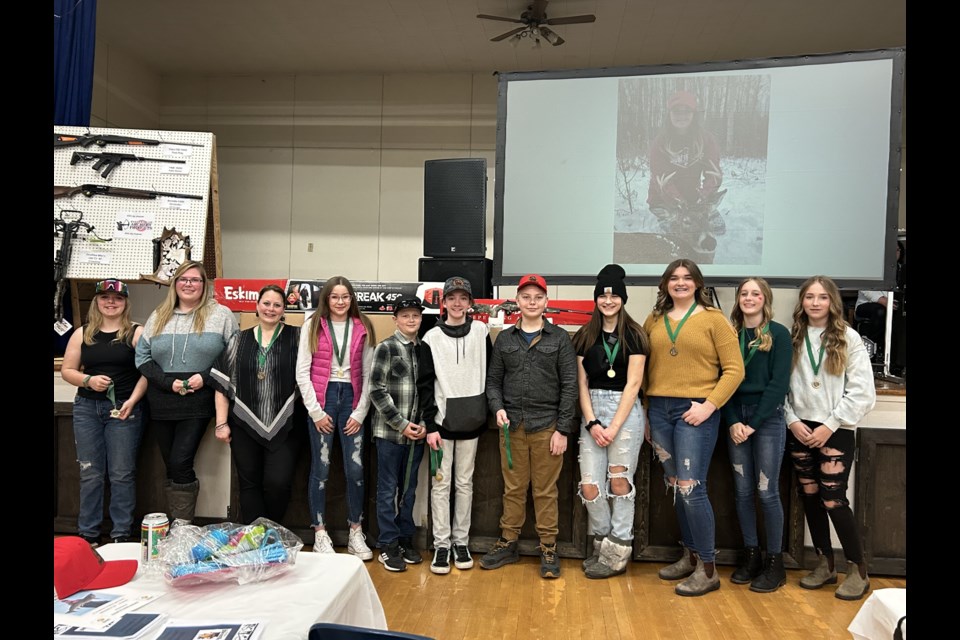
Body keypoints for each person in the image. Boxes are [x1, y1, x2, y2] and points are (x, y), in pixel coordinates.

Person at [644, 258, 744, 596]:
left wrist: (710, 406)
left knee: (691, 486)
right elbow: (643, 369)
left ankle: (708, 568)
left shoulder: (714, 320)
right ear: (665, 284)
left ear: (698, 284)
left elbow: (734, 370)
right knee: (674, 484)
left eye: (688, 278)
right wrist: (645, 412)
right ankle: (688, 557)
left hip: (695, 411)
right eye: (674, 278)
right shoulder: (654, 320)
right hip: (659, 409)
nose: (681, 283)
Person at [784, 276, 876, 601]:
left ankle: (858, 569)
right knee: (809, 494)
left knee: (833, 498)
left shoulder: (848, 338)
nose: (815, 303)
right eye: (809, 297)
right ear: (802, 302)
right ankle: (825, 563)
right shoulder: (793, 337)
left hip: (835, 429)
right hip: (800, 429)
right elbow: (781, 387)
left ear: (832, 302)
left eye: (822, 297)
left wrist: (830, 424)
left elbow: (864, 393)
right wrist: (792, 421)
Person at [481, 274, 578, 579]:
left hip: (548, 427)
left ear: (546, 302)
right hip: (512, 428)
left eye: (538, 297)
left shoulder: (560, 339)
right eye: (526, 297)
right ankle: (508, 541)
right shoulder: (505, 339)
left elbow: (570, 386)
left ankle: (548, 547)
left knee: (546, 491)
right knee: (513, 488)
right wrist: (497, 409)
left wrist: (563, 429)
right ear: (517, 302)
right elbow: (493, 382)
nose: (532, 302)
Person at [135, 261, 238, 523]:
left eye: (195, 280)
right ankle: (178, 526)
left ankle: (182, 527)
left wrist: (204, 378)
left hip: (199, 401)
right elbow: (142, 357)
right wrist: (166, 382)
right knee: (171, 464)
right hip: (160, 401)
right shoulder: (159, 315)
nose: (189, 284)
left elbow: (233, 357)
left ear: (204, 285)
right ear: (175, 284)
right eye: (183, 279)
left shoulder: (221, 314)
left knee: (181, 461)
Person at [570, 265, 649, 579]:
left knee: (619, 483)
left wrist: (614, 427)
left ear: (623, 298)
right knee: (590, 485)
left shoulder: (636, 334)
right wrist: (592, 423)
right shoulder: (584, 336)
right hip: (593, 411)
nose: (609, 300)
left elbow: (633, 385)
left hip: (625, 413)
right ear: (596, 300)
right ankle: (602, 543)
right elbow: (581, 384)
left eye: (614, 295)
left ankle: (618, 550)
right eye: (603, 295)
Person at [61, 279, 148, 546]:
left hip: (124, 408)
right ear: (97, 301)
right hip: (87, 408)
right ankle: (87, 536)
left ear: (126, 302)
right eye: (105, 297)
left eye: (117, 298)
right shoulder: (82, 333)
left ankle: (120, 535)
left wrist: (132, 401)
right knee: (90, 472)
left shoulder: (136, 332)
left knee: (122, 473)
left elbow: (148, 372)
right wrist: (88, 381)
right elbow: (68, 370)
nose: (111, 302)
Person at [210, 284, 306, 524]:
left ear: (284, 309)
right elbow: (221, 384)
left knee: (278, 482)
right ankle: (255, 536)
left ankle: (272, 532)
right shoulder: (238, 340)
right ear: (257, 306)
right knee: (248, 483)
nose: (270, 309)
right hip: (243, 424)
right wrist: (221, 423)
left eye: (276, 305)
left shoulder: (298, 337)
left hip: (287, 424)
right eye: (266, 303)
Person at [296, 276, 376, 558]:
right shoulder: (313, 325)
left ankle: (356, 531)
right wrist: (315, 412)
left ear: (352, 299)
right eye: (335, 297)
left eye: (345, 297)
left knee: (355, 470)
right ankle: (320, 532)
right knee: (322, 469)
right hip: (323, 399)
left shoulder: (362, 326)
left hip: (351, 401)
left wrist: (360, 411)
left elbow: (369, 374)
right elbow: (302, 372)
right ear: (326, 299)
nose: (340, 302)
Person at [417, 276, 491, 575]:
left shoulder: (482, 331)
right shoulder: (430, 338)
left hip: (472, 419)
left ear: (469, 302)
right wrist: (430, 423)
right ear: (443, 303)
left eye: (463, 298)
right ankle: (442, 545)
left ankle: (461, 542)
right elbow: (424, 383)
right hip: (441, 422)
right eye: (452, 298)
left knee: (464, 483)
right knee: (440, 484)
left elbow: (492, 371)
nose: (457, 303)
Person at [722, 277, 792, 592]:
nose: (749, 298)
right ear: (738, 299)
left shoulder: (778, 334)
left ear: (766, 300)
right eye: (744, 293)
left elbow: (779, 384)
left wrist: (754, 422)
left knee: (767, 492)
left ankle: (774, 564)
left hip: (767, 420)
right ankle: (751, 556)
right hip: (736, 420)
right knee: (742, 491)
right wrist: (734, 420)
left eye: (756, 294)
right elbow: (722, 380)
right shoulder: (729, 334)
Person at [369, 297, 428, 572]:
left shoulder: (423, 350)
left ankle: (405, 539)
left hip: (417, 435)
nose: (411, 320)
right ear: (395, 319)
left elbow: (428, 389)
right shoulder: (386, 348)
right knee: (386, 491)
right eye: (405, 316)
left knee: (409, 490)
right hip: (390, 435)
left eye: (415, 315)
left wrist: (424, 423)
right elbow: (376, 390)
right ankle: (388, 543)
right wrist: (401, 423)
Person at [647, 90, 723, 227]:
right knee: (677, 231)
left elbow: (713, 173)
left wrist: (705, 196)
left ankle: (700, 212)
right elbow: (660, 178)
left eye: (687, 111)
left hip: (695, 200)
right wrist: (678, 201)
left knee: (715, 229)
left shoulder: (706, 140)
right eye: (676, 111)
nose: (681, 116)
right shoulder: (660, 143)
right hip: (664, 200)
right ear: (669, 114)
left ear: (694, 114)